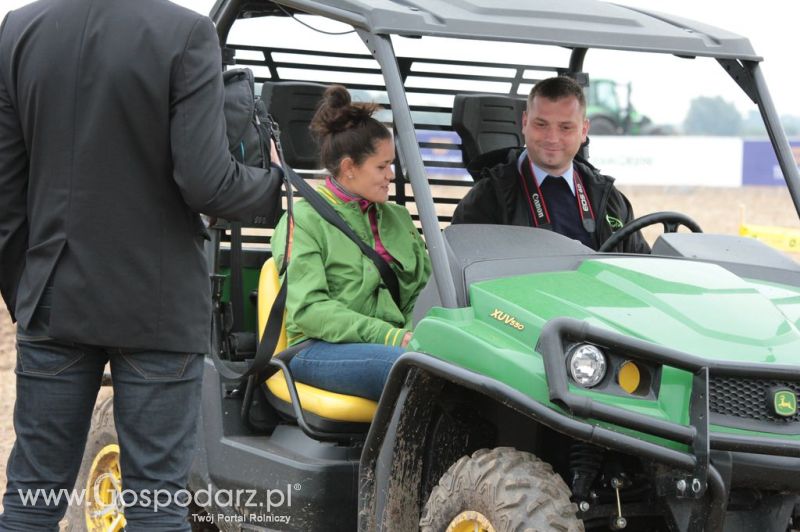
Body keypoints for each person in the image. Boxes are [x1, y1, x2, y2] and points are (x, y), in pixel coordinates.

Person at [0, 1, 283, 530]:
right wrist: (270, 181)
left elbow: (6, 191)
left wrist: (28, 293)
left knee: (30, 499)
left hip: (54, 298)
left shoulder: (19, 29)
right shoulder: (187, 33)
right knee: (156, 502)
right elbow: (205, 181)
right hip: (158, 307)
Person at [270, 85, 431, 402]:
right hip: (320, 348)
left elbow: (425, 292)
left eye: (391, 164)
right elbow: (310, 311)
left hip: (398, 344)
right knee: (412, 369)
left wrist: (419, 334)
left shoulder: (398, 219)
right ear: (348, 168)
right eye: (382, 166)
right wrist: (390, 336)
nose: (391, 175)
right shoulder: (303, 221)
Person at [452, 76, 650, 253]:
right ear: (524, 122)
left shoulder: (609, 198)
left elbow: (640, 268)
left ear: (583, 130)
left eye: (565, 127)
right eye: (541, 124)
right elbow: (463, 275)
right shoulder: (488, 198)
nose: (552, 138)